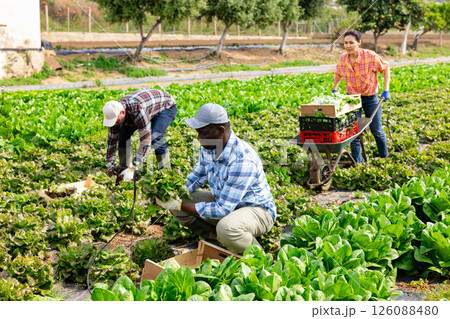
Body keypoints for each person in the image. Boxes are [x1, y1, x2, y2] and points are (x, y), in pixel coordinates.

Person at [155, 103, 276, 254]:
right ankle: (218, 242)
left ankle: (259, 258)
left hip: (257, 211)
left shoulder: (242, 160)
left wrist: (178, 205)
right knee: (183, 198)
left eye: (203, 134)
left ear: (220, 131)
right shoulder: (210, 147)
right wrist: (171, 193)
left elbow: (222, 210)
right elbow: (196, 177)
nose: (199, 138)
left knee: (226, 228)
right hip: (226, 204)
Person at [332, 29, 390, 163]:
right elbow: (338, 75)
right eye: (345, 43)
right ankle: (357, 162)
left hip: (370, 98)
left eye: (351, 43)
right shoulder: (342, 59)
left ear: (359, 43)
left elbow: (386, 69)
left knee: (377, 130)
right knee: (353, 132)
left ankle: (384, 158)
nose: (348, 46)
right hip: (352, 99)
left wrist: (386, 90)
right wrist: (334, 90)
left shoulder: (370, 56)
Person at [102, 89, 177, 181]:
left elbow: (145, 141)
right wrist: (110, 167)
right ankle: (124, 169)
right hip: (146, 107)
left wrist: (133, 167)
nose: (115, 124)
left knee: (155, 137)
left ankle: (166, 174)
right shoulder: (113, 114)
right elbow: (112, 142)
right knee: (123, 135)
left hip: (166, 106)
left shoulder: (137, 110)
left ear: (122, 112)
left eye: (116, 121)